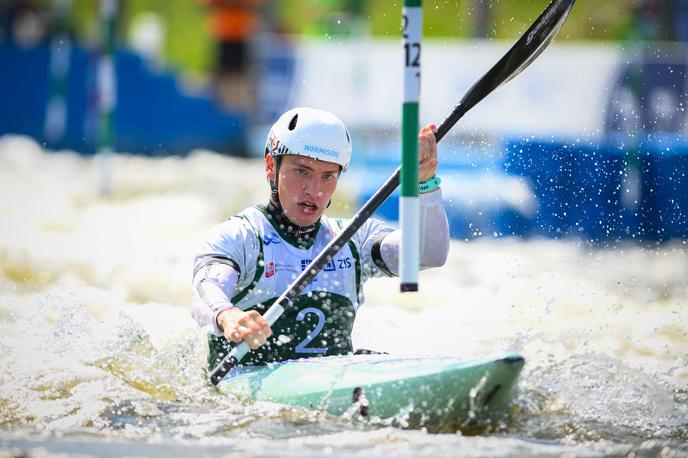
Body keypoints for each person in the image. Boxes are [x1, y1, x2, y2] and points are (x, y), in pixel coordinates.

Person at [191, 107, 449, 372]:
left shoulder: (353, 239)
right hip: (247, 391)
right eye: (302, 172)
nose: (315, 190)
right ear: (271, 166)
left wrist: (425, 185)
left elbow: (428, 253)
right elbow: (206, 288)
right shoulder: (241, 237)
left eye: (328, 176)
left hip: (333, 389)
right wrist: (227, 314)